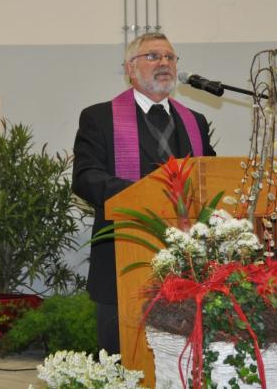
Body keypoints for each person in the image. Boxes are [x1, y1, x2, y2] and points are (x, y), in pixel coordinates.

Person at [72, 32, 216, 355]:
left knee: (186, 356)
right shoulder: (99, 118)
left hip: (186, 261)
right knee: (124, 357)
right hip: (121, 257)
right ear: (130, 69)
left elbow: (208, 178)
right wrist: (143, 196)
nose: (163, 63)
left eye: (169, 57)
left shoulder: (195, 122)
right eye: (153, 56)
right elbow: (85, 178)